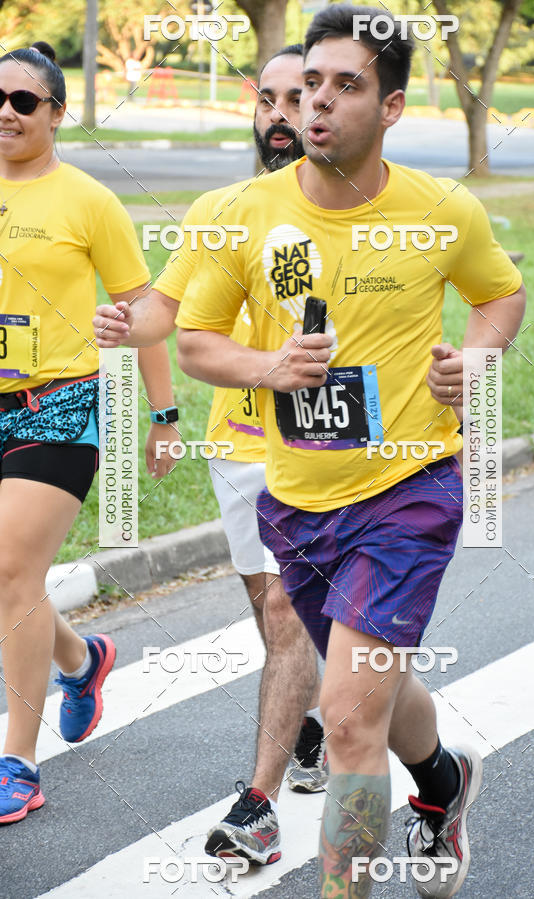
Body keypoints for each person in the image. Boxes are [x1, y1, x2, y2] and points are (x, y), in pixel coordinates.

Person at [174, 5, 527, 897]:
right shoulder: (242, 212)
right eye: (309, 85)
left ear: (393, 106)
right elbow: (196, 339)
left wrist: (473, 362)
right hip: (295, 499)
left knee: (344, 725)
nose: (317, 104)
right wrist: (271, 365)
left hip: (409, 488)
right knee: (365, 685)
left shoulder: (441, 210)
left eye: (345, 85)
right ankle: (443, 784)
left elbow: (501, 296)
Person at [92, 45, 327, 867]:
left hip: (335, 442)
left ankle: (257, 800)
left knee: (292, 612)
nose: (278, 114)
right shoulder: (223, 207)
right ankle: (307, 720)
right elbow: (167, 306)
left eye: (297, 97)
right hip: (241, 438)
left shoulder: (373, 207)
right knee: (272, 609)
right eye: (267, 98)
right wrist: (129, 325)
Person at [0, 42, 177, 825]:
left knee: (11, 568)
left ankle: (18, 760)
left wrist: (165, 416)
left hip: (59, 406)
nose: (5, 112)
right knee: (9, 581)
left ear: (57, 113)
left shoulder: (88, 201)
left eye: (23, 101)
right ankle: (80, 658)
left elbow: (145, 312)